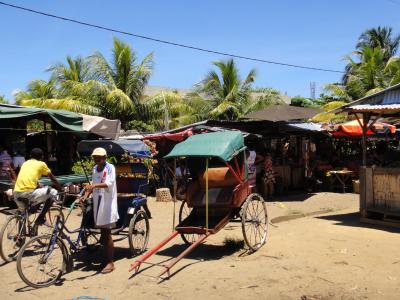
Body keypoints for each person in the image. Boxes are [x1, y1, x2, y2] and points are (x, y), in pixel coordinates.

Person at [82, 147, 119, 274]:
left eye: (99, 157)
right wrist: (85, 196)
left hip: (107, 204)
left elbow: (109, 183)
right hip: (98, 203)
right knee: (102, 234)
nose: (97, 159)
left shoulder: (110, 168)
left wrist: (93, 186)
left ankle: (110, 262)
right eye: (95, 157)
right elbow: (92, 183)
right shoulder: (94, 169)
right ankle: (105, 260)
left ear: (104, 158)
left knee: (106, 233)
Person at [13, 148, 61, 223]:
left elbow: (29, 178)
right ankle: (41, 218)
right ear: (41, 157)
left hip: (16, 194)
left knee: (25, 213)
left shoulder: (25, 163)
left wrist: (38, 185)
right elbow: (53, 179)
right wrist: (61, 189)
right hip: (28, 193)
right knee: (53, 192)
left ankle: (21, 231)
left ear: (30, 156)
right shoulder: (41, 164)